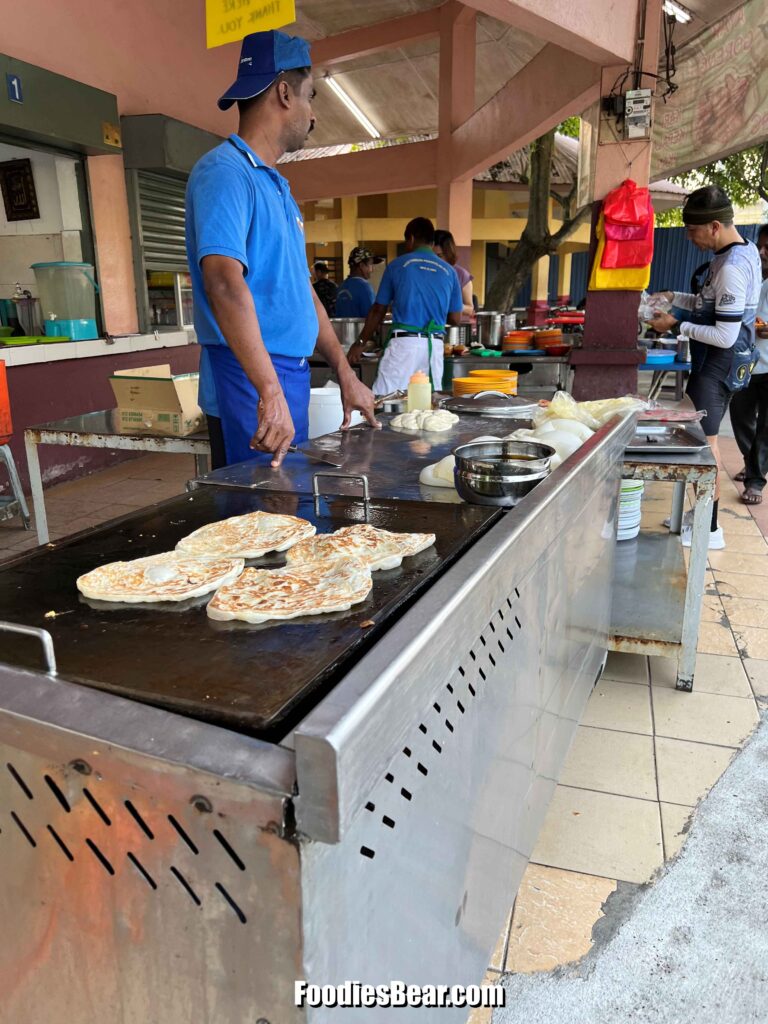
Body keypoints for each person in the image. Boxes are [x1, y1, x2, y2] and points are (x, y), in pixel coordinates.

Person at [185, 30, 376, 470]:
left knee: (291, 511)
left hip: (286, 373)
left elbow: (303, 293)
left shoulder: (278, 189)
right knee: (256, 522)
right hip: (246, 376)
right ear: (284, 93)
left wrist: (345, 374)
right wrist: (268, 392)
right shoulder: (225, 173)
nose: (313, 116)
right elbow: (223, 283)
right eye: (311, 97)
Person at [649, 185, 761, 550]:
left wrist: (675, 325)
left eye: (693, 230)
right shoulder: (737, 255)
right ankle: (699, 517)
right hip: (716, 364)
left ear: (714, 226)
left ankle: (710, 529)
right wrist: (673, 297)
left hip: (718, 366)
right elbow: (707, 302)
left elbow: (725, 335)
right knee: (699, 442)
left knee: (706, 447)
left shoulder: (732, 267)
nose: (688, 237)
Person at [347, 218, 463, 394]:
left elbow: (379, 310)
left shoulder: (397, 265)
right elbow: (455, 318)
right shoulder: (449, 272)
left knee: (386, 399)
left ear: (411, 238)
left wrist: (360, 342)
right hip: (435, 346)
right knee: (426, 405)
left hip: (404, 345)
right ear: (432, 241)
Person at [730, 224, 768, 506]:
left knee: (766, 428)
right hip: (745, 361)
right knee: (740, 417)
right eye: (761, 246)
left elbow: (759, 322)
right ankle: (751, 461)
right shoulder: (750, 272)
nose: (763, 252)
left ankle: (755, 480)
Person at [433, 229, 474, 318]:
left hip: (453, 327)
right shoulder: (425, 272)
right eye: (432, 255)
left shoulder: (461, 275)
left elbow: (470, 309)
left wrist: (450, 304)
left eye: (439, 256)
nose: (435, 260)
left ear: (449, 253)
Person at [335, 247, 383, 318]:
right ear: (361, 265)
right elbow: (371, 316)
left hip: (342, 328)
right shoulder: (364, 287)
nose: (372, 270)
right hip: (360, 328)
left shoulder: (341, 286)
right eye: (370, 265)